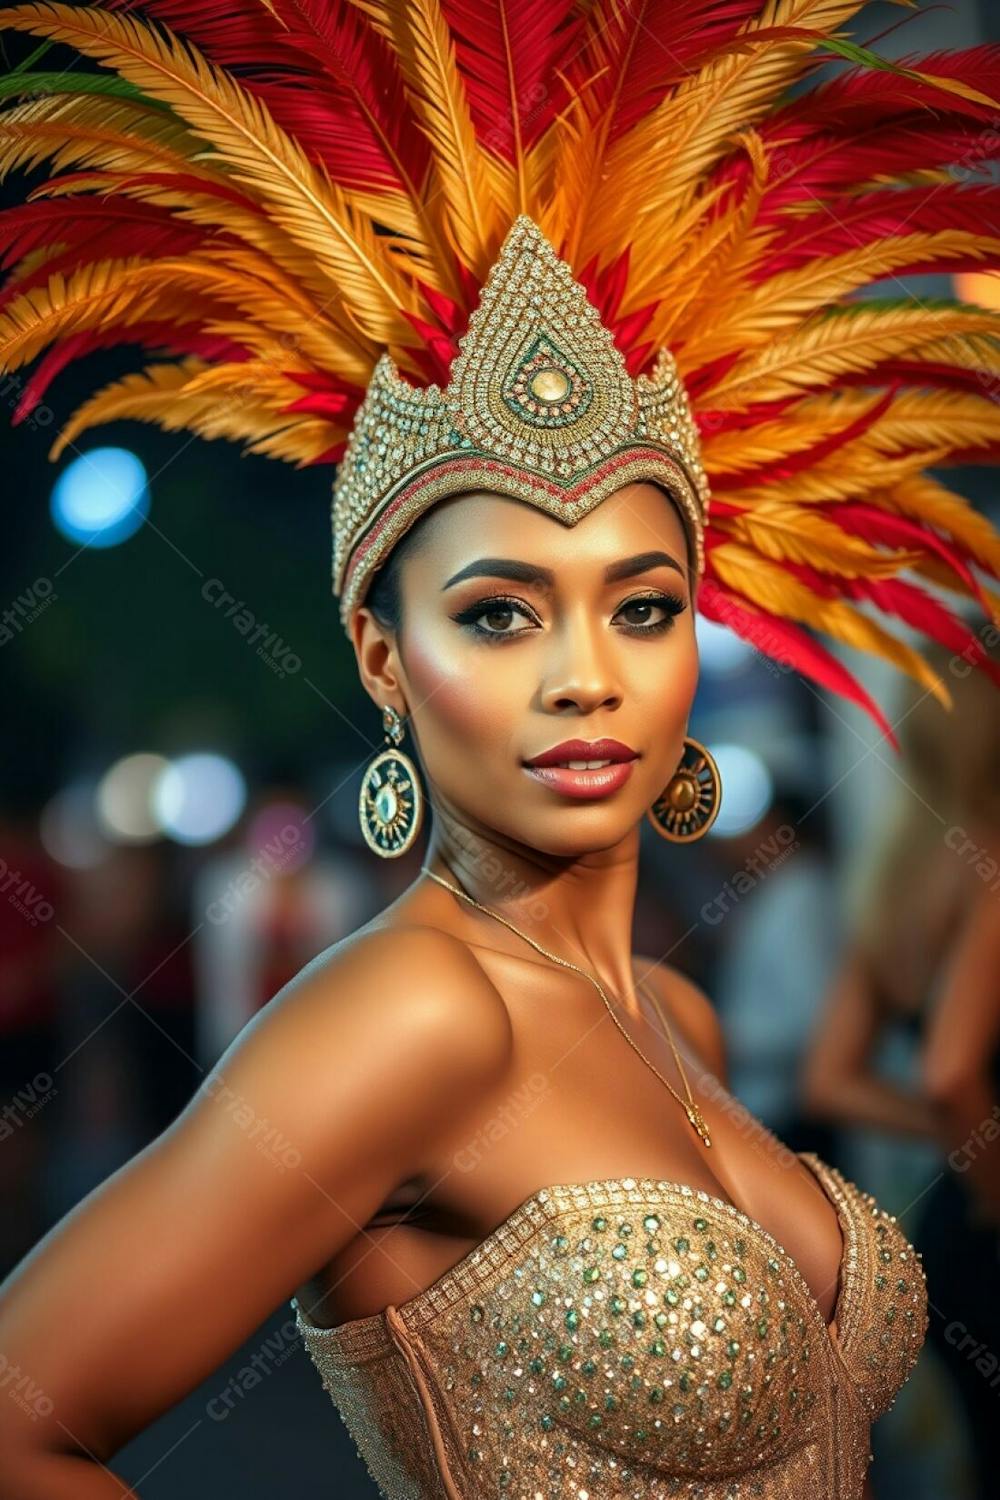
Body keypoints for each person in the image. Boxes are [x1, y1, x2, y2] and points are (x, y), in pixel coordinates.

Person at [1, 4, 1000, 1496]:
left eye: (643, 606)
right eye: (500, 615)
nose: (585, 678)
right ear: (386, 660)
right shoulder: (418, 1010)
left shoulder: (681, 1015)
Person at [803, 639, 1000, 1497]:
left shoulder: (900, 874)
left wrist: (963, 1142)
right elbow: (953, 1069)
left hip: (953, 1234)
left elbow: (829, 1078)